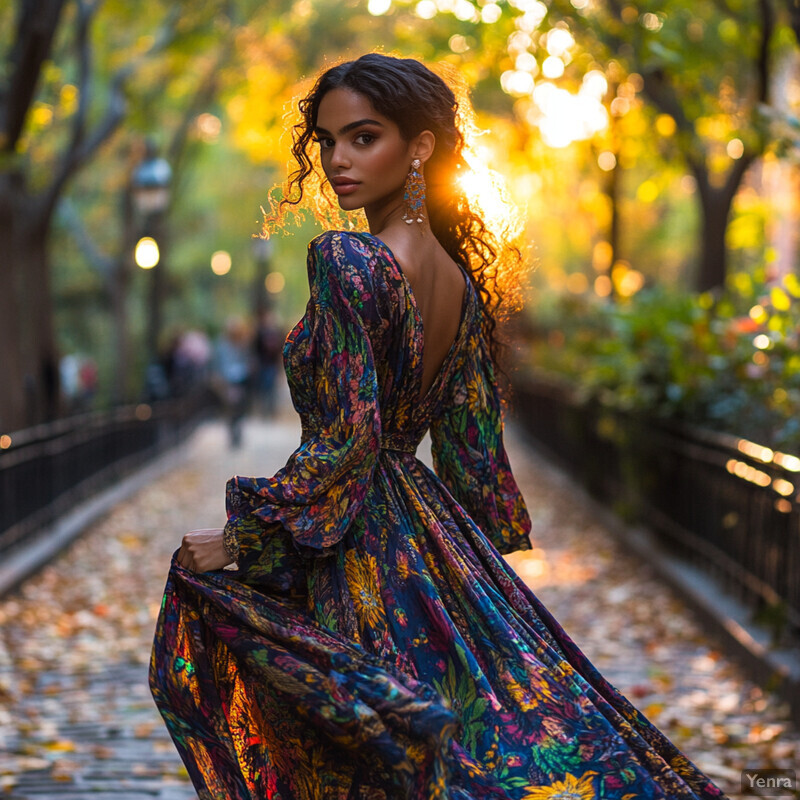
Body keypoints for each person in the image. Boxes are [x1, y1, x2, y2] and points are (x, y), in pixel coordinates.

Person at [150, 54, 727, 799]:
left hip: (361, 543)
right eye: (327, 143)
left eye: (364, 137)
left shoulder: (347, 259)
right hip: (429, 534)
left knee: (368, 761)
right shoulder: (461, 283)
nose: (339, 161)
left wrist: (240, 541)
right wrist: (465, 574)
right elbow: (471, 453)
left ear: (420, 146)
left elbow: (348, 442)